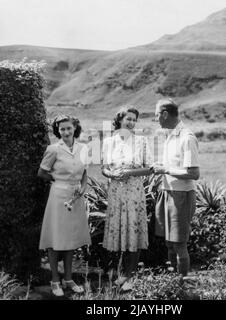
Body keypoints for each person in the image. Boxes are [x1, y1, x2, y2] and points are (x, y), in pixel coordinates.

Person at [38, 115, 91, 296]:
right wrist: (58, 181)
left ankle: (68, 278)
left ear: (75, 128)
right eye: (62, 129)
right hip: (58, 197)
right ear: (58, 131)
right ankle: (55, 280)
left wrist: (83, 188)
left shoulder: (83, 148)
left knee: (71, 238)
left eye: (69, 128)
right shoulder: (53, 149)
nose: (66, 132)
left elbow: (84, 173)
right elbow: (42, 172)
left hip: (76, 198)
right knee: (55, 238)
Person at [101, 106, 153, 290]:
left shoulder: (142, 141)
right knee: (119, 230)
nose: (131, 122)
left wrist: (130, 172)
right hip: (116, 192)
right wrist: (112, 175)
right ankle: (121, 274)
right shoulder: (109, 142)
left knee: (133, 230)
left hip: (134, 193)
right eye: (128, 119)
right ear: (120, 120)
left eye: (134, 119)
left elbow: (149, 168)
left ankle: (130, 276)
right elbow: (104, 168)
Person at [151, 98, 200, 280]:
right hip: (167, 192)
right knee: (169, 243)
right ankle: (172, 282)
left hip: (181, 195)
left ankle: (182, 284)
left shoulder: (187, 138)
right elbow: (173, 165)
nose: (155, 119)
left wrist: (165, 169)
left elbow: (194, 173)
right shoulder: (170, 135)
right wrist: (162, 166)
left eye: (156, 114)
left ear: (164, 114)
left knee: (179, 244)